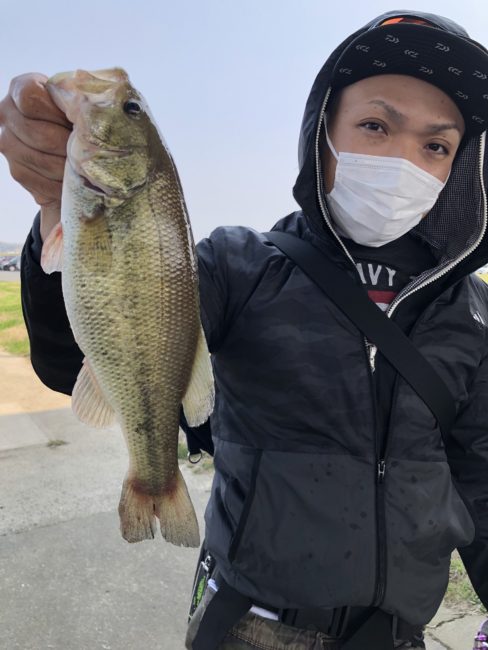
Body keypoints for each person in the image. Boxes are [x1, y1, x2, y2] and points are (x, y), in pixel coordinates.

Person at [1, 9, 488, 650]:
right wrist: (54, 209)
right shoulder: (237, 265)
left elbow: (480, 473)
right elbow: (72, 361)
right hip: (249, 627)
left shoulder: (470, 309)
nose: (404, 159)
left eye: (436, 146)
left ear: (458, 168)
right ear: (321, 134)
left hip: (398, 637)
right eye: (375, 125)